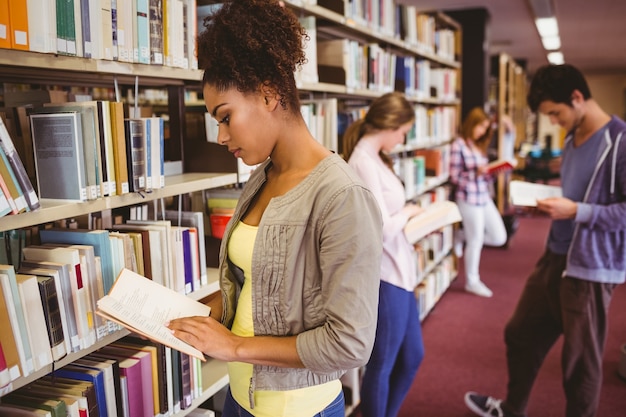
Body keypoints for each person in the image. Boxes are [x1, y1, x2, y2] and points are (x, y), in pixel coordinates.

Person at [166, 1, 384, 416]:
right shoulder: (261, 177)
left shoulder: (341, 196)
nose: (220, 135)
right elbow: (257, 288)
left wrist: (232, 346)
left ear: (268, 94)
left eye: (226, 117)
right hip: (239, 397)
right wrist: (192, 316)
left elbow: (350, 342)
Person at [465, 63, 626, 417]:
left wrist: (577, 211)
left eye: (556, 113)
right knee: (520, 334)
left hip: (590, 269)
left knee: (579, 366)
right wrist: (544, 209)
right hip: (554, 257)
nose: (555, 122)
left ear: (577, 97)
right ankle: (513, 408)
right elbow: (574, 195)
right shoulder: (571, 138)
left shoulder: (620, 142)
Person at [343, 92, 425, 417]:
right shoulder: (362, 163)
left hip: (401, 270)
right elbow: (378, 230)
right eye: (404, 130)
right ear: (391, 124)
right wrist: (409, 213)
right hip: (383, 277)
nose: (403, 137)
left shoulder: (377, 158)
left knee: (413, 356)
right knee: (383, 364)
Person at [449, 107, 508, 297]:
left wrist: (491, 173)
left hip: (484, 197)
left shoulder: (478, 146)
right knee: (476, 241)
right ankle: (472, 281)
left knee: (500, 237)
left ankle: (460, 236)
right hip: (468, 198)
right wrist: (476, 173)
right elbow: (454, 177)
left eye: (485, 128)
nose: (482, 132)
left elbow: (484, 177)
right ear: (471, 124)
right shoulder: (459, 145)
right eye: (480, 127)